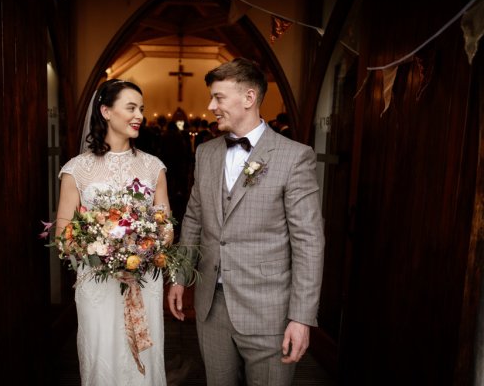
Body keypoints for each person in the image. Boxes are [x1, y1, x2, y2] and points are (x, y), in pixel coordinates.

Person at [168, 58, 325, 386]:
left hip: (270, 312)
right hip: (211, 308)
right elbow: (195, 219)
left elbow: (308, 242)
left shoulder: (295, 157)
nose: (211, 106)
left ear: (249, 98)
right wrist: (180, 277)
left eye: (218, 97)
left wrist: (301, 317)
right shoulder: (206, 153)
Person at [55, 79, 168, 386]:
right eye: (130, 108)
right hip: (97, 285)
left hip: (143, 282)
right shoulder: (76, 170)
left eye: (141, 109)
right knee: (101, 355)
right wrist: (102, 248)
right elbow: (64, 235)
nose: (139, 116)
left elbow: (166, 229)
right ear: (105, 111)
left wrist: (140, 249)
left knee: (144, 361)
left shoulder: (153, 167)